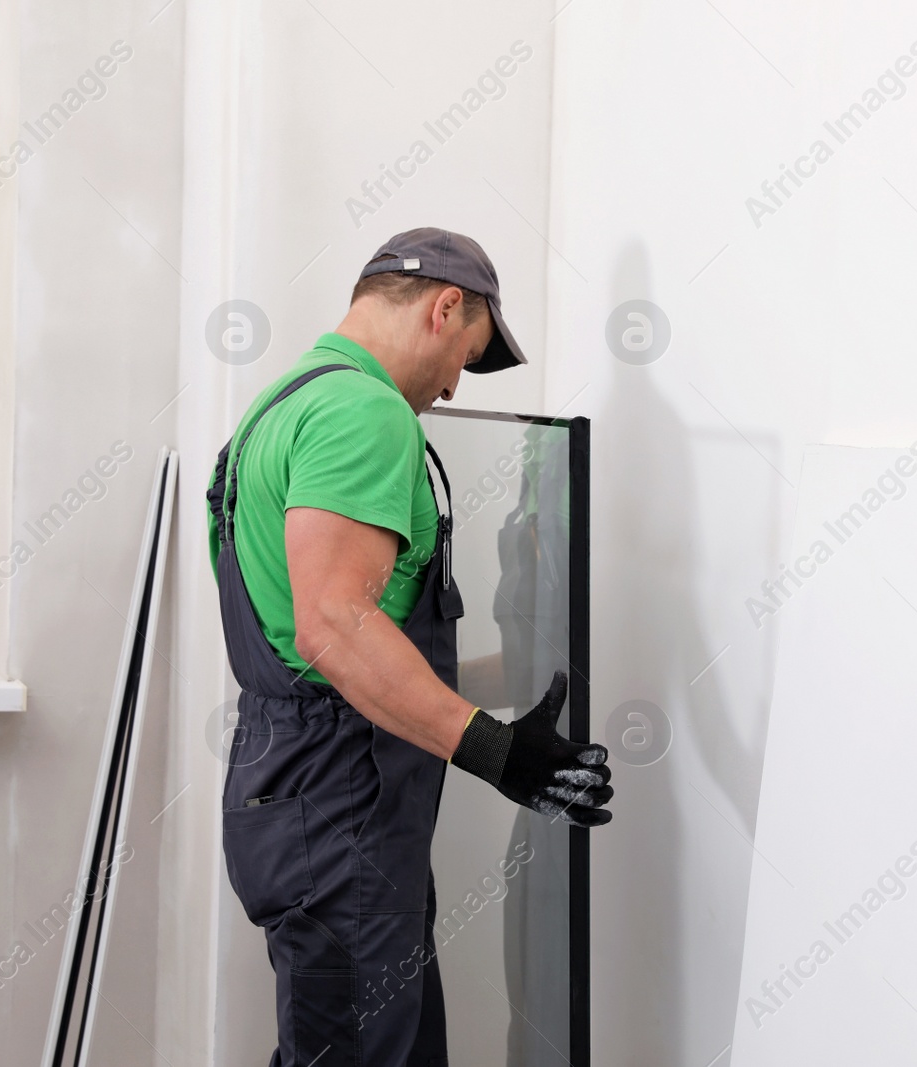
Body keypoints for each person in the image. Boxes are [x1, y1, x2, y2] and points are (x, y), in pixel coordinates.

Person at [205, 227, 614, 1067]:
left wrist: (522, 671)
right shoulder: (366, 413)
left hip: (306, 795)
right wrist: (499, 752)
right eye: (465, 354)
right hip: (343, 808)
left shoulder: (285, 401)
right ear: (445, 306)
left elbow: (326, 646)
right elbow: (334, 624)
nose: (454, 383)